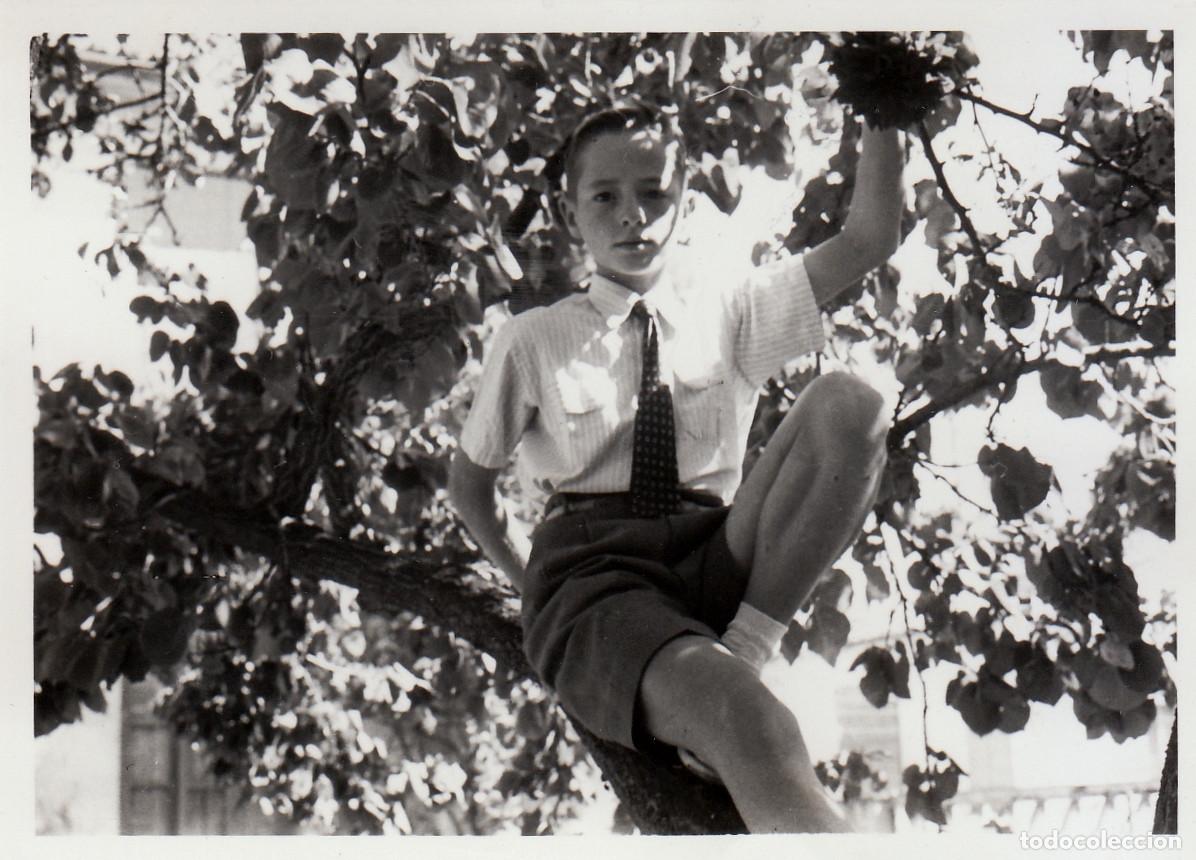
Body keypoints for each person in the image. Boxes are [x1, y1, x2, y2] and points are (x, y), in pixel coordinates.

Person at [449, 100, 904, 833]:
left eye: (654, 191)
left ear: (684, 196)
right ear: (569, 215)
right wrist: (533, 590)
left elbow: (871, 238)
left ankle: (746, 646)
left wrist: (886, 86)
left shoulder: (728, 309)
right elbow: (469, 487)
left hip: (715, 552)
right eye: (605, 197)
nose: (633, 214)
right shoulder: (532, 339)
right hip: (597, 579)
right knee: (755, 724)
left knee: (853, 403)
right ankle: (728, 692)